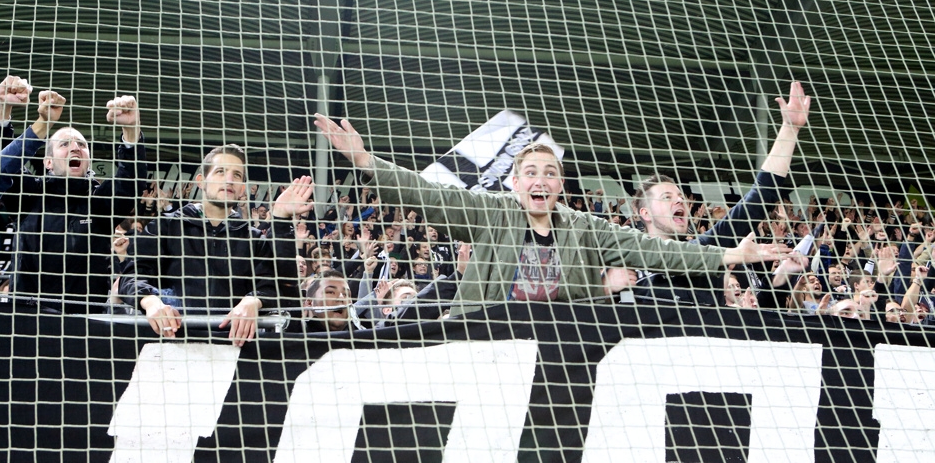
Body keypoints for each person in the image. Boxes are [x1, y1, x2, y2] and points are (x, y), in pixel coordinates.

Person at [314, 114, 793, 316]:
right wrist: (365, 161)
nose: (541, 179)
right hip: (489, 338)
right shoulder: (490, 213)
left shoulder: (587, 227)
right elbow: (429, 195)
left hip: (567, 348)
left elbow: (656, 251)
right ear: (517, 182)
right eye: (531, 172)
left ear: (560, 185)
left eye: (550, 172)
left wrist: (728, 253)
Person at [607, 81, 812, 306]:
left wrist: (790, 129)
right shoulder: (625, 259)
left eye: (680, 197)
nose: (679, 201)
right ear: (644, 212)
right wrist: (606, 287)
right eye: (667, 197)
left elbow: (760, 197)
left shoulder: (709, 246)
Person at [0, 76, 147, 313]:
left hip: (86, 321)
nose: (75, 147)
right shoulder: (29, 194)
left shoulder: (99, 201)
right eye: (64, 144)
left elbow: (131, 181)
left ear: (88, 161)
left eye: (81, 144)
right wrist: (2, 109)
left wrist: (131, 131)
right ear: (48, 162)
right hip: (26, 318)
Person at [119, 145, 313, 346]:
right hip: (170, 346)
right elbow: (131, 276)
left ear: (242, 189)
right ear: (201, 181)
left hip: (234, 350)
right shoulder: (165, 227)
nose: (229, 179)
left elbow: (283, 288)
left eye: (237, 175)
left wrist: (254, 300)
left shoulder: (254, 240)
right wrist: (150, 301)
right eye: (221, 171)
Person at [289, 269, 357, 333]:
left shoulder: (361, 336)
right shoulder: (294, 336)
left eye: (346, 294)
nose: (342, 298)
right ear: (309, 303)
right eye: (330, 292)